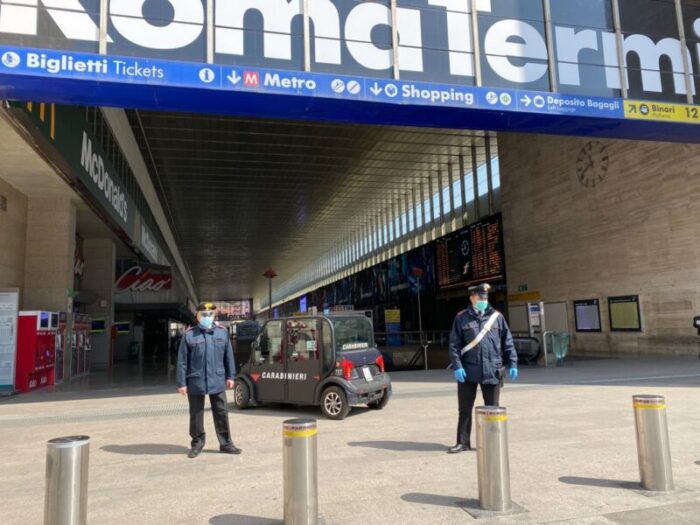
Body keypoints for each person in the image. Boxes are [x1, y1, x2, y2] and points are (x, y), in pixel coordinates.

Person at [447, 283, 518, 453]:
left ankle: (492, 443)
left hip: (492, 370)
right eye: (480, 298)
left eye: (486, 298)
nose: (484, 301)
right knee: (464, 409)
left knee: (492, 409)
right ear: (472, 298)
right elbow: (454, 345)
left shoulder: (497, 317)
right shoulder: (461, 318)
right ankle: (463, 442)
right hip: (468, 371)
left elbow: (507, 342)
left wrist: (513, 363)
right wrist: (457, 366)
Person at [177, 302, 242, 458]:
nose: (207, 317)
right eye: (204, 315)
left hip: (217, 379)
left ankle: (226, 443)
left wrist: (230, 376)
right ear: (197, 316)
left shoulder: (222, 333)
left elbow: (229, 357)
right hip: (196, 380)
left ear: (214, 316)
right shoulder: (189, 335)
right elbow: (182, 361)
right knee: (196, 414)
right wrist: (182, 383)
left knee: (221, 412)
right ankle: (197, 443)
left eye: (210, 314)